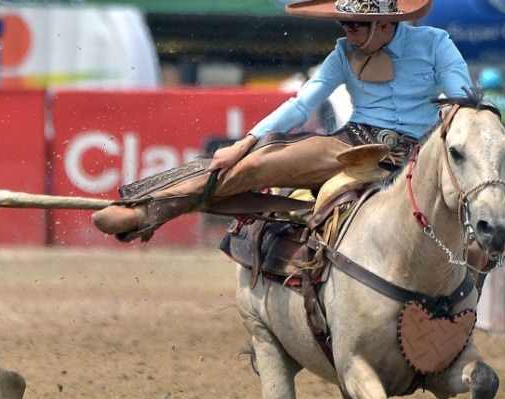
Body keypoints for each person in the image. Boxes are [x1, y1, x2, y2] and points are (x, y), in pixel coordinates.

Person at [91, 0, 472, 243]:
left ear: (385, 23)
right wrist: (245, 143)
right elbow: (301, 104)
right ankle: (147, 211)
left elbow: (461, 102)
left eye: (355, 26)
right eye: (344, 26)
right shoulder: (343, 51)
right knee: (253, 163)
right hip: (352, 146)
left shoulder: (436, 44)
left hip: (422, 157)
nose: (347, 34)